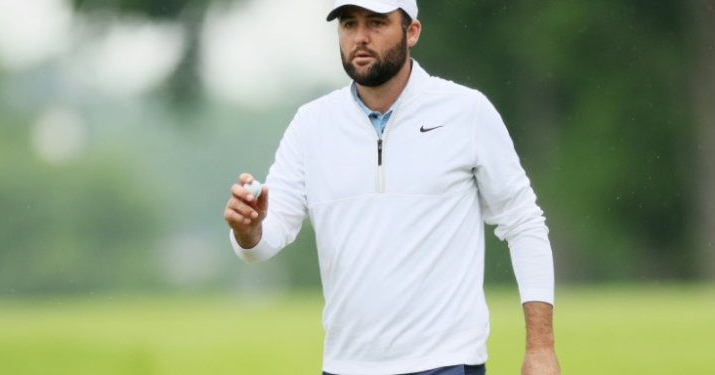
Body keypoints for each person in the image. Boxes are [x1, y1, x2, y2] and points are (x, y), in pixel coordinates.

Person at [223, 0, 561, 374]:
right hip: (345, 365)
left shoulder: (466, 112)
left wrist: (541, 348)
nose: (361, 37)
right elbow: (266, 239)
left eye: (377, 23)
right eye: (349, 24)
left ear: (411, 31)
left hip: (445, 363)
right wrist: (249, 231)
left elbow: (523, 224)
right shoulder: (311, 124)